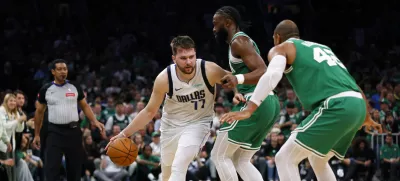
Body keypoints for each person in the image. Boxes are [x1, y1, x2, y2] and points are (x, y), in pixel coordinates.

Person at [220, 20, 382, 181]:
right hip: (357, 104)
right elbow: (351, 83)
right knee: (318, 159)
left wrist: (250, 108)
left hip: (336, 105)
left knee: (284, 158)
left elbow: (272, 75)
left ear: (277, 37)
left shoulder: (282, 48)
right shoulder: (324, 48)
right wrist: (366, 116)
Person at [107, 35, 229, 181]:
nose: (189, 62)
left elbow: (233, 79)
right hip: (171, 126)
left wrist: (237, 93)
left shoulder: (209, 69)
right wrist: (123, 134)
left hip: (199, 123)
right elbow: (149, 111)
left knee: (179, 164)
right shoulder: (164, 78)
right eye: (183, 58)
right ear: (174, 58)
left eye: (192, 57)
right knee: (167, 175)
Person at [211, 6, 280, 181]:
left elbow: (264, 71)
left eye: (215, 24)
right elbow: (239, 75)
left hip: (257, 103)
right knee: (240, 161)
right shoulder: (238, 43)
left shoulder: (239, 41)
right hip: (267, 103)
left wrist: (239, 79)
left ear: (227, 22)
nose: (213, 29)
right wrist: (236, 89)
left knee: (219, 156)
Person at [32, 59, 105, 181]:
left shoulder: (75, 86)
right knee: (51, 169)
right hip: (54, 132)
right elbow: (39, 112)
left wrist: (95, 121)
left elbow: (85, 106)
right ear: (53, 72)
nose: (63, 72)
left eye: (65, 69)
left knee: (75, 169)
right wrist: (37, 134)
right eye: (59, 69)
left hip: (73, 131)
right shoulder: (46, 89)